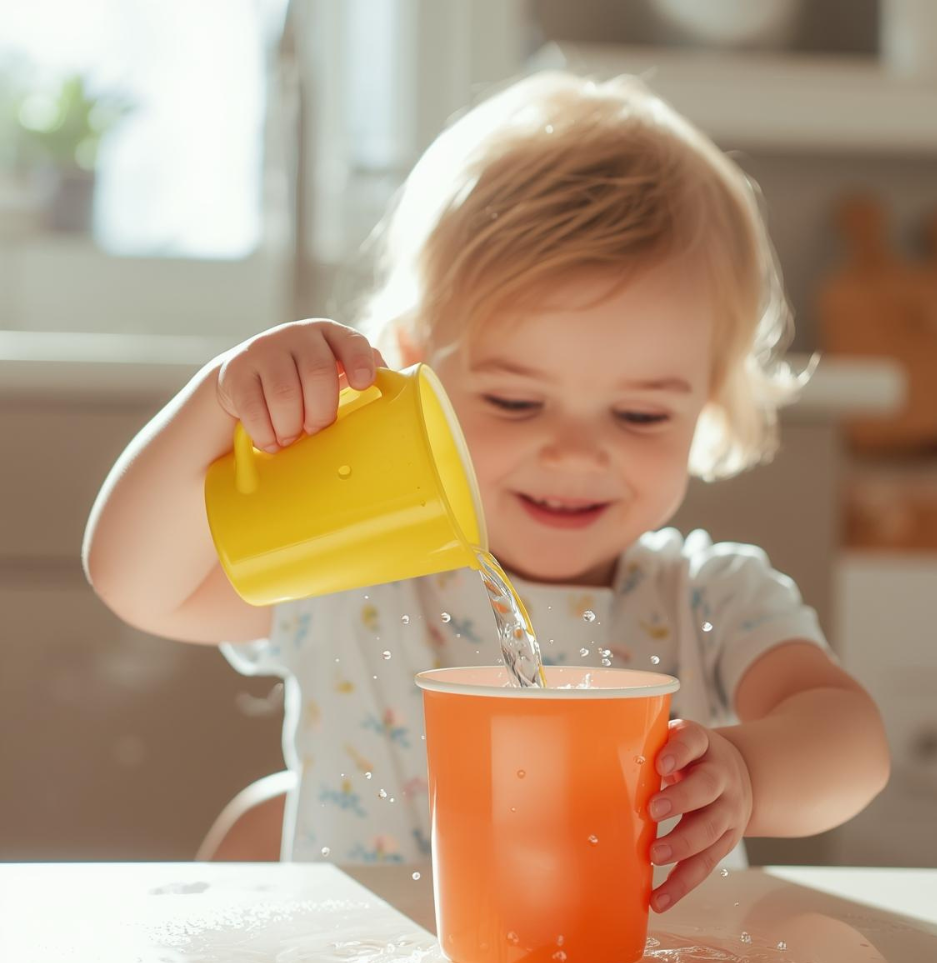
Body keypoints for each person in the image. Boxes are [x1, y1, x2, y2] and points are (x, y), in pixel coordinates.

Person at [84, 71, 890, 913]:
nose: (577, 451)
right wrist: (217, 401)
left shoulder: (708, 598)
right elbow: (135, 579)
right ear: (411, 372)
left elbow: (850, 742)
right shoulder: (352, 572)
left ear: (710, 402)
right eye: (515, 399)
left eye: (642, 413)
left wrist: (750, 773)